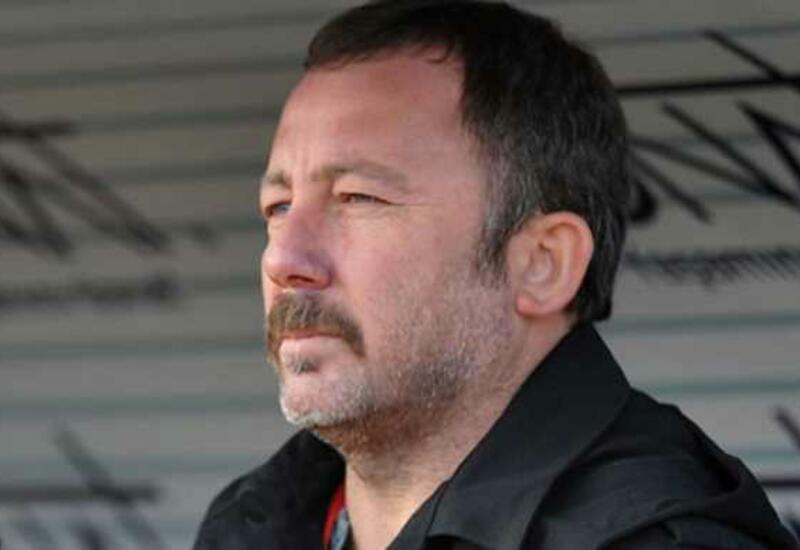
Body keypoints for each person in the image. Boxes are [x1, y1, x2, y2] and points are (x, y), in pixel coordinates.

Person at [193, 1, 796, 548]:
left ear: (542, 264)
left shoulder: (659, 539)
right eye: (277, 207)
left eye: (358, 198)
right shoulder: (255, 521)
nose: (283, 260)